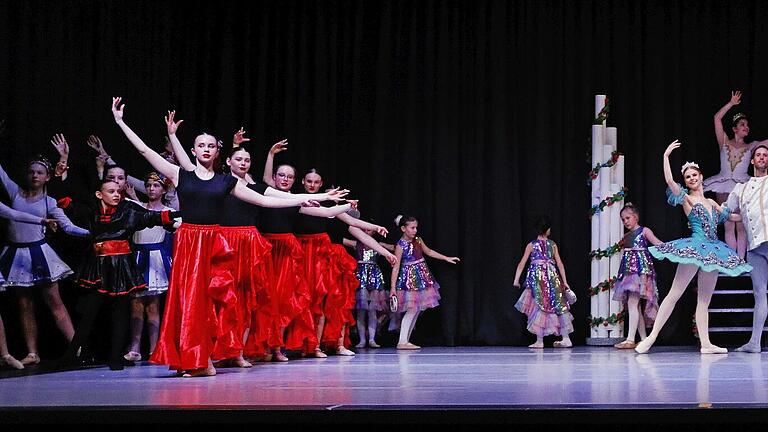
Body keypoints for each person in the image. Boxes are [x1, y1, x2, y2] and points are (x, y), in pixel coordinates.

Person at [111, 99, 344, 377]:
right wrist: (120, 122)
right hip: (188, 244)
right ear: (193, 150)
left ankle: (205, 358)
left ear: (217, 150)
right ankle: (189, 358)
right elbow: (143, 149)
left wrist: (317, 196)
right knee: (186, 304)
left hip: (212, 245)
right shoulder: (180, 174)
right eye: (201, 145)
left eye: (211, 146)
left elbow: (265, 200)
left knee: (210, 305)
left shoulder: (226, 182)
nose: (206, 150)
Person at [636, 140, 751, 355]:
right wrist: (665, 156)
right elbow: (670, 181)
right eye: (688, 177)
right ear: (686, 182)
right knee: (675, 293)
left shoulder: (713, 203)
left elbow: (733, 217)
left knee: (704, 300)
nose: (691, 178)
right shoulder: (686, 199)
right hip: (695, 247)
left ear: (701, 176)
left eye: (694, 175)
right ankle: (651, 338)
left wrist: (750, 211)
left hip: (713, 251)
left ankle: (706, 344)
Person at [64, 180, 179, 370]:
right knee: (90, 311)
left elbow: (151, 217)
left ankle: (116, 357)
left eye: (118, 191)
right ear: (100, 195)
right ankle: (71, 354)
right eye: (111, 191)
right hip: (99, 266)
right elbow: (69, 204)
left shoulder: (128, 211)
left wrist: (180, 214)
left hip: (121, 266)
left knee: (121, 312)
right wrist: (63, 176)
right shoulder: (92, 212)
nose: (116, 194)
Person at [0, 149, 90, 365]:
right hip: (16, 253)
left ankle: (76, 347)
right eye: (31, 172)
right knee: (24, 304)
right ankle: (32, 352)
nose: (35, 176)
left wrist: (92, 233)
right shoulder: (15, 193)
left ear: (47, 177)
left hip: (39, 254)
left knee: (55, 302)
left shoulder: (49, 202)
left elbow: (68, 226)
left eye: (40, 173)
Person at [124, 172, 180, 363]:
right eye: (148, 185)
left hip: (155, 258)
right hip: (138, 257)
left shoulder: (167, 210)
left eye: (156, 186)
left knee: (153, 306)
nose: (151, 189)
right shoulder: (137, 207)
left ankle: (155, 348)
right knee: (136, 305)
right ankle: (135, 347)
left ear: (163, 190)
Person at [705, 91, 768, 259]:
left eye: (747, 125)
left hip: (742, 185)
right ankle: (730, 261)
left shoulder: (752, 146)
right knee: (727, 224)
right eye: (742, 124)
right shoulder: (724, 141)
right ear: (734, 129)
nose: (746, 127)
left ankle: (740, 261)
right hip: (723, 183)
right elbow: (717, 118)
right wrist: (731, 103)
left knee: (741, 225)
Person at [390, 215, 459, 350]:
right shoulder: (400, 245)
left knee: (417, 309)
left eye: (416, 227)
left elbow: (429, 252)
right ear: (403, 228)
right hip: (409, 279)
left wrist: (446, 258)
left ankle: (405, 340)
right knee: (412, 309)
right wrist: (393, 287)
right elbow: (396, 267)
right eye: (412, 228)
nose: (415, 230)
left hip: (421, 277)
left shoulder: (418, 240)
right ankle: (402, 341)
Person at [727, 145, 768, 353]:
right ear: (752, 161)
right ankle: (754, 342)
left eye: (765, 155)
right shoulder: (740, 188)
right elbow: (727, 211)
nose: (762, 157)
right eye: (758, 155)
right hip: (755, 248)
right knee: (759, 293)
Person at [512, 216, 573, 348]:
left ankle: (540, 341)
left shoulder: (531, 245)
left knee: (540, 305)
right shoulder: (553, 244)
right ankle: (565, 337)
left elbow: (521, 264)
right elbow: (560, 264)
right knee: (558, 304)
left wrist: (516, 280)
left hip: (539, 278)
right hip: (552, 276)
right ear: (547, 230)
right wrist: (565, 281)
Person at [611, 203, 663, 349]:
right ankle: (644, 339)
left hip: (640, 272)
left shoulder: (644, 231)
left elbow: (657, 243)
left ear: (636, 217)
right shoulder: (626, 236)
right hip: (629, 273)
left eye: (627, 218)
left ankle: (630, 339)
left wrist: (669, 248)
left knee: (633, 304)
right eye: (623, 219)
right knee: (635, 306)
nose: (625, 221)